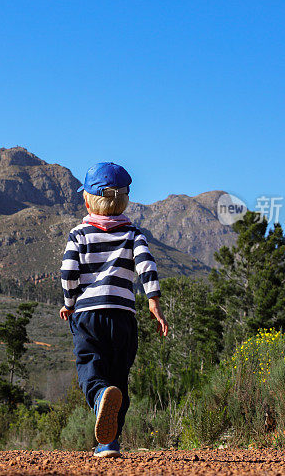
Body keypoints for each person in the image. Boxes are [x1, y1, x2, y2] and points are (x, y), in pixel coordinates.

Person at [59, 162, 169, 458]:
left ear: (87, 200)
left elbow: (68, 273)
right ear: (126, 200)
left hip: (87, 315)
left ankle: (98, 399)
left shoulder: (79, 234)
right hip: (123, 316)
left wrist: (69, 303)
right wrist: (153, 303)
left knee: (90, 367)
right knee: (119, 378)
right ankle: (109, 443)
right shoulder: (134, 234)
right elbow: (147, 267)